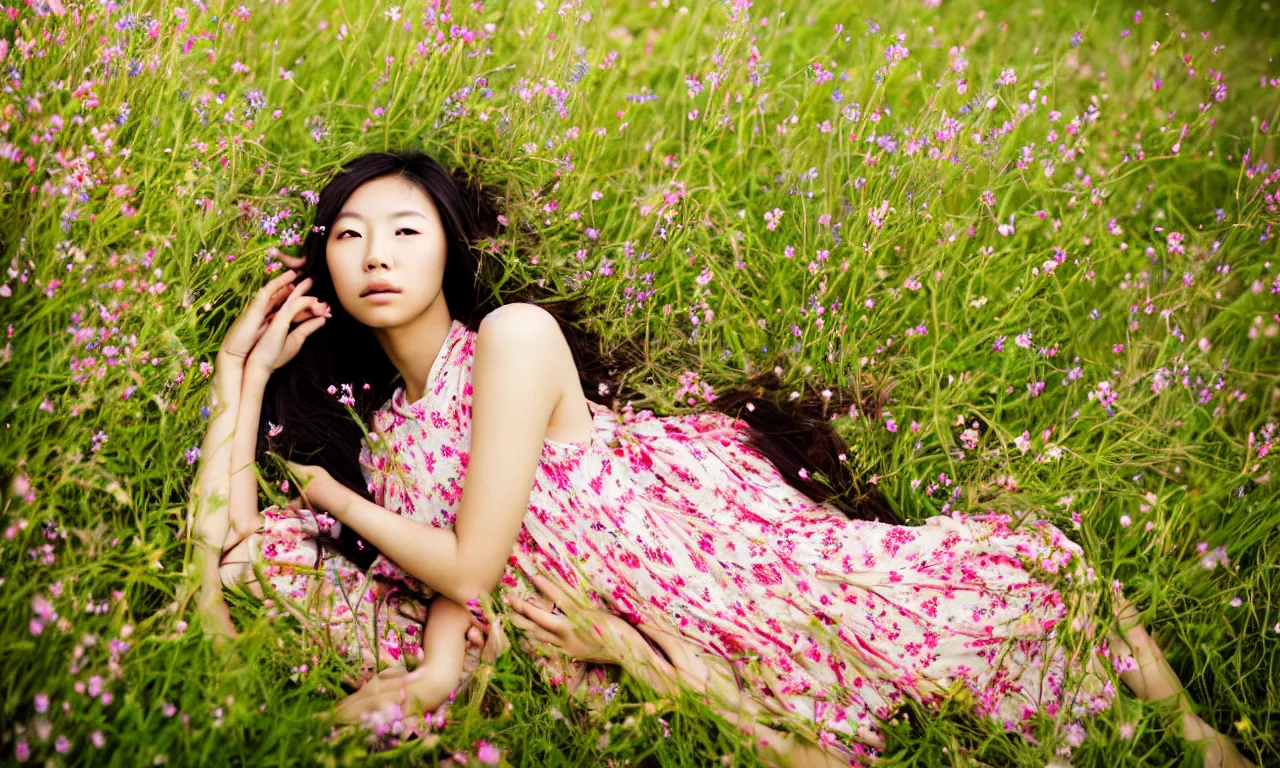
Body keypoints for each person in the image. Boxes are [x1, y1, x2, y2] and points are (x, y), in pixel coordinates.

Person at [187, 149, 1252, 767]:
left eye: (404, 231)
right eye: (349, 235)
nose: (375, 255)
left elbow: (464, 563)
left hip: (695, 573)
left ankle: (1200, 741)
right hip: (586, 633)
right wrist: (237, 375)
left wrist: (334, 497)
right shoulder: (391, 429)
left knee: (1007, 577)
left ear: (451, 246)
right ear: (323, 258)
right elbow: (243, 538)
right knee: (266, 573)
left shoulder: (510, 338)